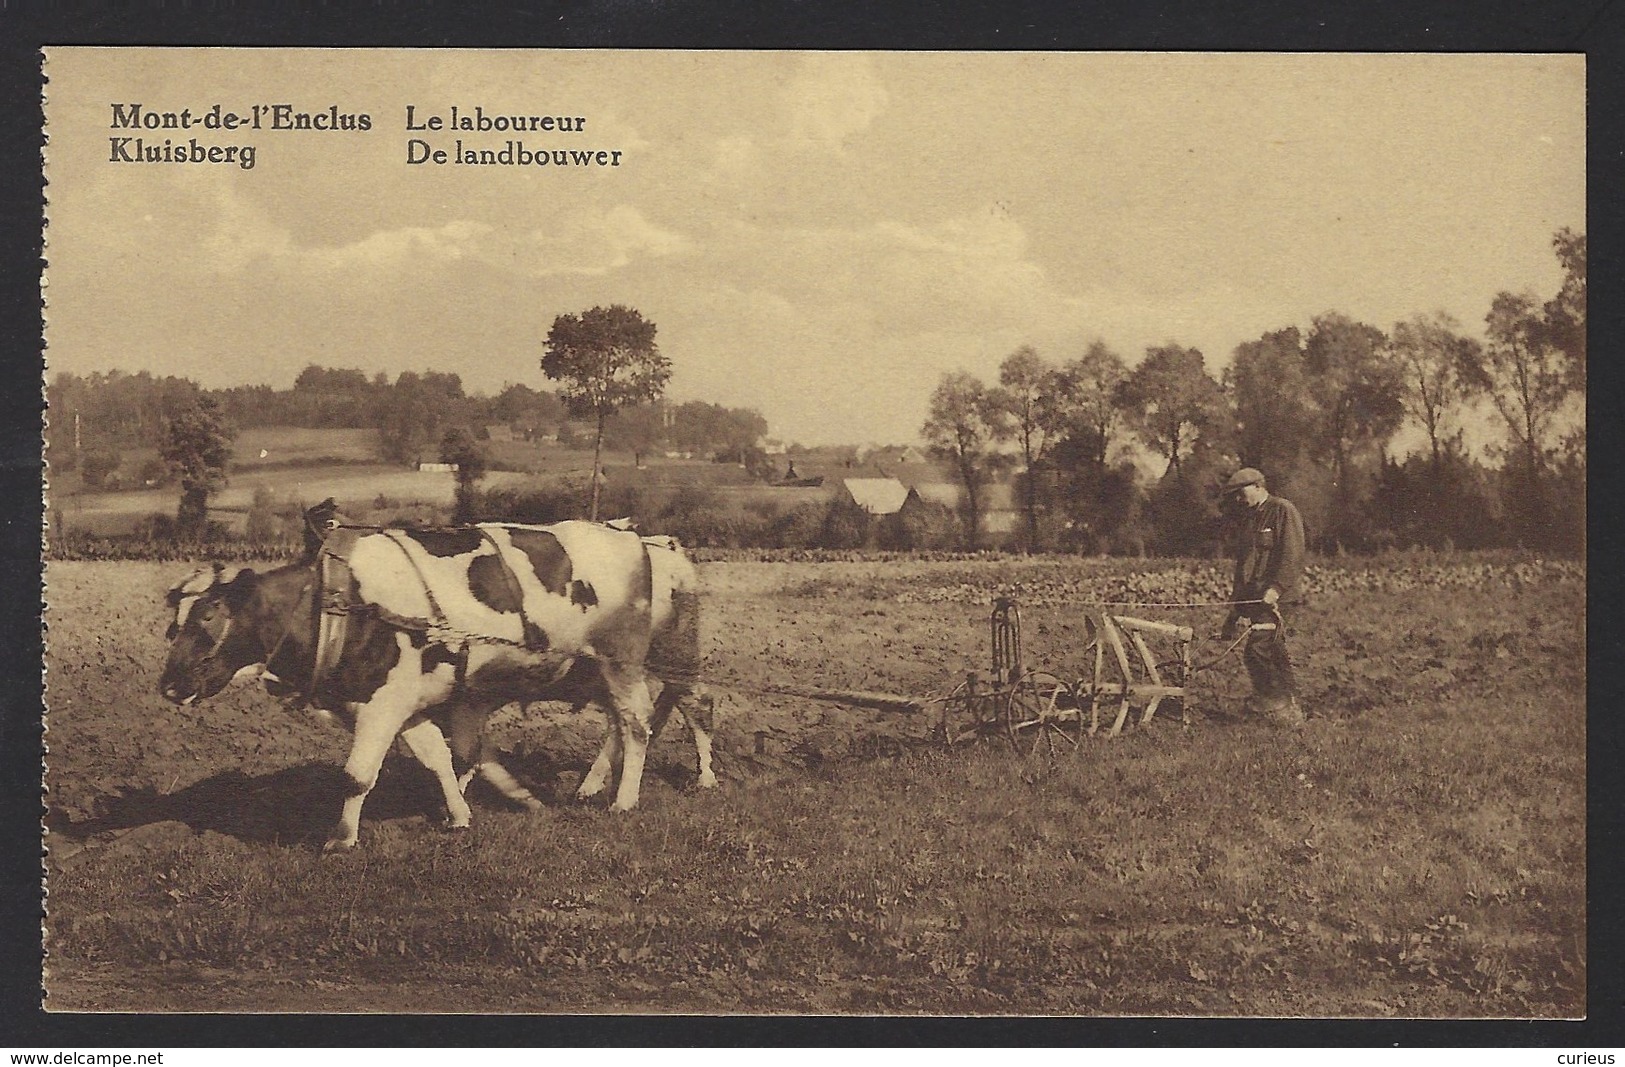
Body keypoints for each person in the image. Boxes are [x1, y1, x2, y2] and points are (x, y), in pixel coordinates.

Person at [1220, 467, 1306, 725]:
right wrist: (1234, 611)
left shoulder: (1282, 510)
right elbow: (1244, 568)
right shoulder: (1249, 520)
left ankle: (1273, 704)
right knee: (1275, 652)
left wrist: (1275, 589)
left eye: (1241, 492)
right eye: (1234, 495)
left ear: (1258, 486)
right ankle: (1288, 709)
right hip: (1256, 599)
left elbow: (1293, 555)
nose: (1238, 499)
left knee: (1257, 650)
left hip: (1278, 599)